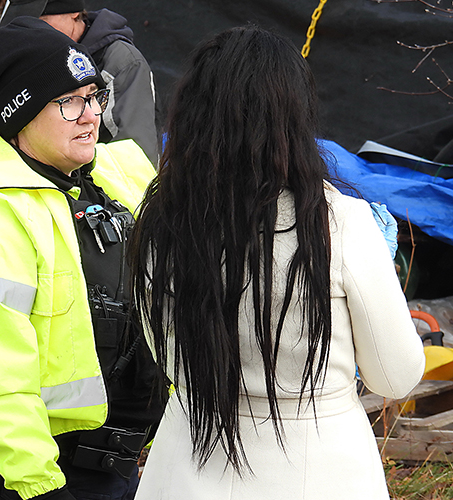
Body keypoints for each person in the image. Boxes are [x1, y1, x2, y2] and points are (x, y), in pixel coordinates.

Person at [128, 26, 426, 499]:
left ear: (191, 116)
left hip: (185, 463)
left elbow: (164, 355)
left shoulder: (159, 224)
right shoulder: (341, 223)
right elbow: (396, 375)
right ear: (293, 115)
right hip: (321, 472)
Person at [0, 16, 166, 500]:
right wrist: (38, 486)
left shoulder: (118, 174)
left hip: (127, 464)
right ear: (20, 114)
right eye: (69, 102)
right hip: (36, 472)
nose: (91, 116)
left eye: (93, 96)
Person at [0, 0, 159, 164]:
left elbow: (136, 159)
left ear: (73, 12)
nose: (30, 33)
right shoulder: (38, 59)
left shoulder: (122, 63)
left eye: (39, 22)